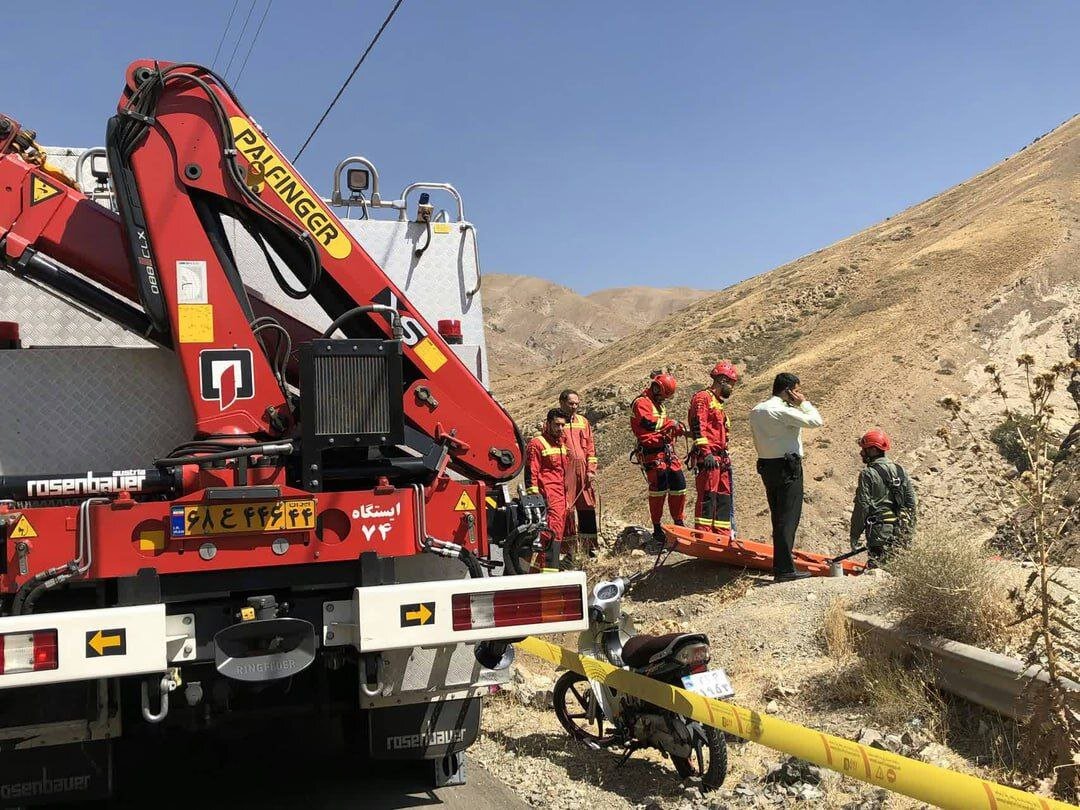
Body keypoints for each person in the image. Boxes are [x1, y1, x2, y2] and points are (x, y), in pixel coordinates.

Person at [748, 372, 823, 582]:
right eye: (797, 390)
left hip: (766, 465)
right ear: (788, 391)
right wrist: (804, 403)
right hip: (787, 466)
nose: (799, 394)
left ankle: (781, 565)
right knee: (788, 517)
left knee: (777, 516)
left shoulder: (757, 410)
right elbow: (816, 421)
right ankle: (784, 569)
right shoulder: (781, 411)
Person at [630, 372, 688, 548]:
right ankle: (657, 528)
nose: (663, 398)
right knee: (658, 490)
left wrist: (675, 429)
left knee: (679, 485)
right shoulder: (641, 403)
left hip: (666, 451)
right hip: (652, 453)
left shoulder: (658, 405)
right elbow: (649, 424)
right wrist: (672, 425)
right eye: (663, 394)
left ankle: (679, 523)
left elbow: (662, 426)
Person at [850, 429, 917, 566]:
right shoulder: (900, 470)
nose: (861, 453)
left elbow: (862, 506)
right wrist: (909, 532)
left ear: (873, 450)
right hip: (901, 532)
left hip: (879, 534)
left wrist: (854, 535)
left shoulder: (868, 474)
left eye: (865, 449)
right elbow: (911, 504)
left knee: (878, 572)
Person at [688, 360, 739, 540]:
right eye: (732, 384)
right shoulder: (703, 398)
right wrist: (706, 452)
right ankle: (704, 535)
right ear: (723, 380)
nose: (732, 389)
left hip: (721, 458)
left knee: (723, 497)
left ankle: (722, 535)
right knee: (708, 495)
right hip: (709, 458)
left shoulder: (718, 403)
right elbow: (698, 426)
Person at [525, 409, 574, 567]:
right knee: (551, 532)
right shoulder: (537, 444)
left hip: (562, 496)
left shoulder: (562, 443)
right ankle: (548, 568)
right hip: (548, 497)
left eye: (562, 425)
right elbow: (531, 472)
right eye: (556, 425)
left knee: (561, 532)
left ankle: (553, 566)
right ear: (548, 424)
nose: (560, 429)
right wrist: (536, 499)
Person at [559, 389, 599, 558]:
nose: (574, 407)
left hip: (583, 472)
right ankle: (569, 551)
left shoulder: (583, 422)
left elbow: (590, 448)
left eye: (577, 404)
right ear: (562, 403)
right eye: (571, 403)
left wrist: (591, 470)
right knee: (567, 509)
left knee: (587, 506)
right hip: (566, 471)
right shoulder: (555, 422)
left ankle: (589, 548)